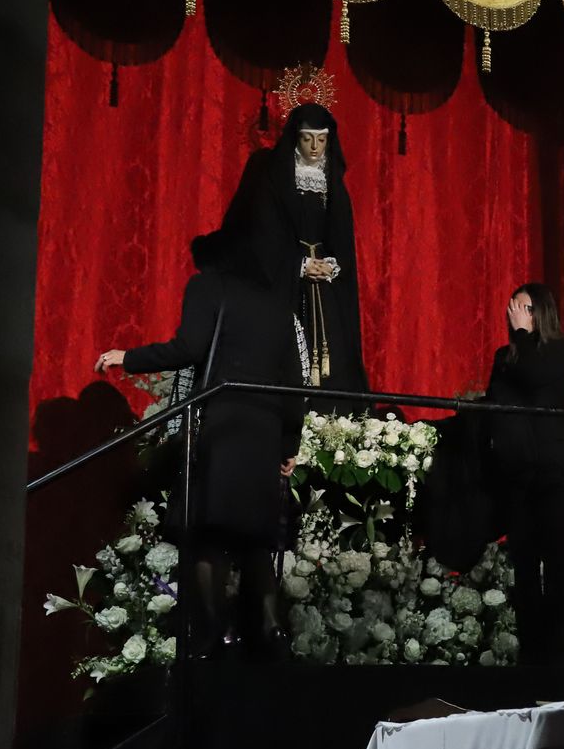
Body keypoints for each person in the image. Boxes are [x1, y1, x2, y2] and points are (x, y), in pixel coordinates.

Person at [94, 161, 309, 658]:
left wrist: (129, 357)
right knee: (255, 542)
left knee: (209, 538)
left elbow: (189, 346)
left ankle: (209, 639)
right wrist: (289, 443)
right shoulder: (278, 305)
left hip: (224, 424)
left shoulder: (209, 286)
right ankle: (272, 634)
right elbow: (293, 381)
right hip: (263, 430)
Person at [246, 103, 368, 408]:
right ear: (295, 139)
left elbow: (340, 238)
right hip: (286, 283)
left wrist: (331, 264)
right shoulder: (273, 181)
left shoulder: (332, 184)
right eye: (307, 139)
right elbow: (261, 236)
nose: (314, 147)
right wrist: (299, 266)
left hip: (324, 288)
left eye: (321, 139)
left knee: (335, 358)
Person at [484, 283, 564, 666]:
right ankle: (533, 656)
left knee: (556, 562)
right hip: (520, 475)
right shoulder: (504, 356)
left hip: (555, 474)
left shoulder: (562, 350)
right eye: (512, 310)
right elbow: (499, 399)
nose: (515, 316)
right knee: (524, 567)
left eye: (523, 308)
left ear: (540, 312)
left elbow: (536, 377)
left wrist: (523, 335)